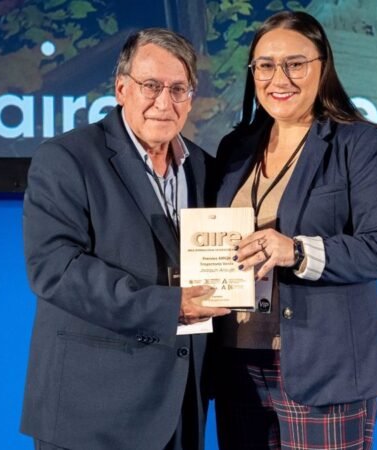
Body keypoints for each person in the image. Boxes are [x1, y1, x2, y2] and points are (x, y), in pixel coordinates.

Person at [20, 28, 230, 450]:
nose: (164, 102)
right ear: (121, 88)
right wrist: (173, 306)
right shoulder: (66, 158)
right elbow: (55, 269)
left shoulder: (203, 167)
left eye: (178, 89)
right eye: (151, 86)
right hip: (94, 410)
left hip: (179, 404)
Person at [209, 11, 377, 450]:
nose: (278, 78)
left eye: (295, 64)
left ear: (323, 66)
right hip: (238, 361)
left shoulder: (358, 143)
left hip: (323, 366)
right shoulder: (236, 147)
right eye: (265, 65)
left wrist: (297, 251)